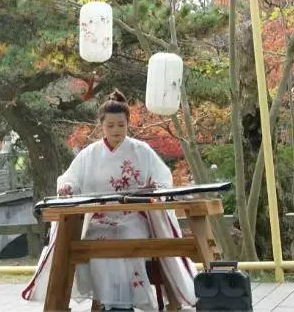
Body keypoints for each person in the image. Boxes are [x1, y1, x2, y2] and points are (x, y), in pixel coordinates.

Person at [21, 89, 198, 311]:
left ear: (128, 124)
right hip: (100, 218)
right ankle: (109, 302)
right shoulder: (90, 153)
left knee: (126, 238)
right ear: (101, 126)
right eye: (110, 125)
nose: (116, 130)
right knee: (97, 242)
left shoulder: (141, 150)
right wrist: (67, 187)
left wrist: (154, 187)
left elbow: (163, 178)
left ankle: (124, 302)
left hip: (133, 216)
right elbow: (70, 178)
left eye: (121, 125)